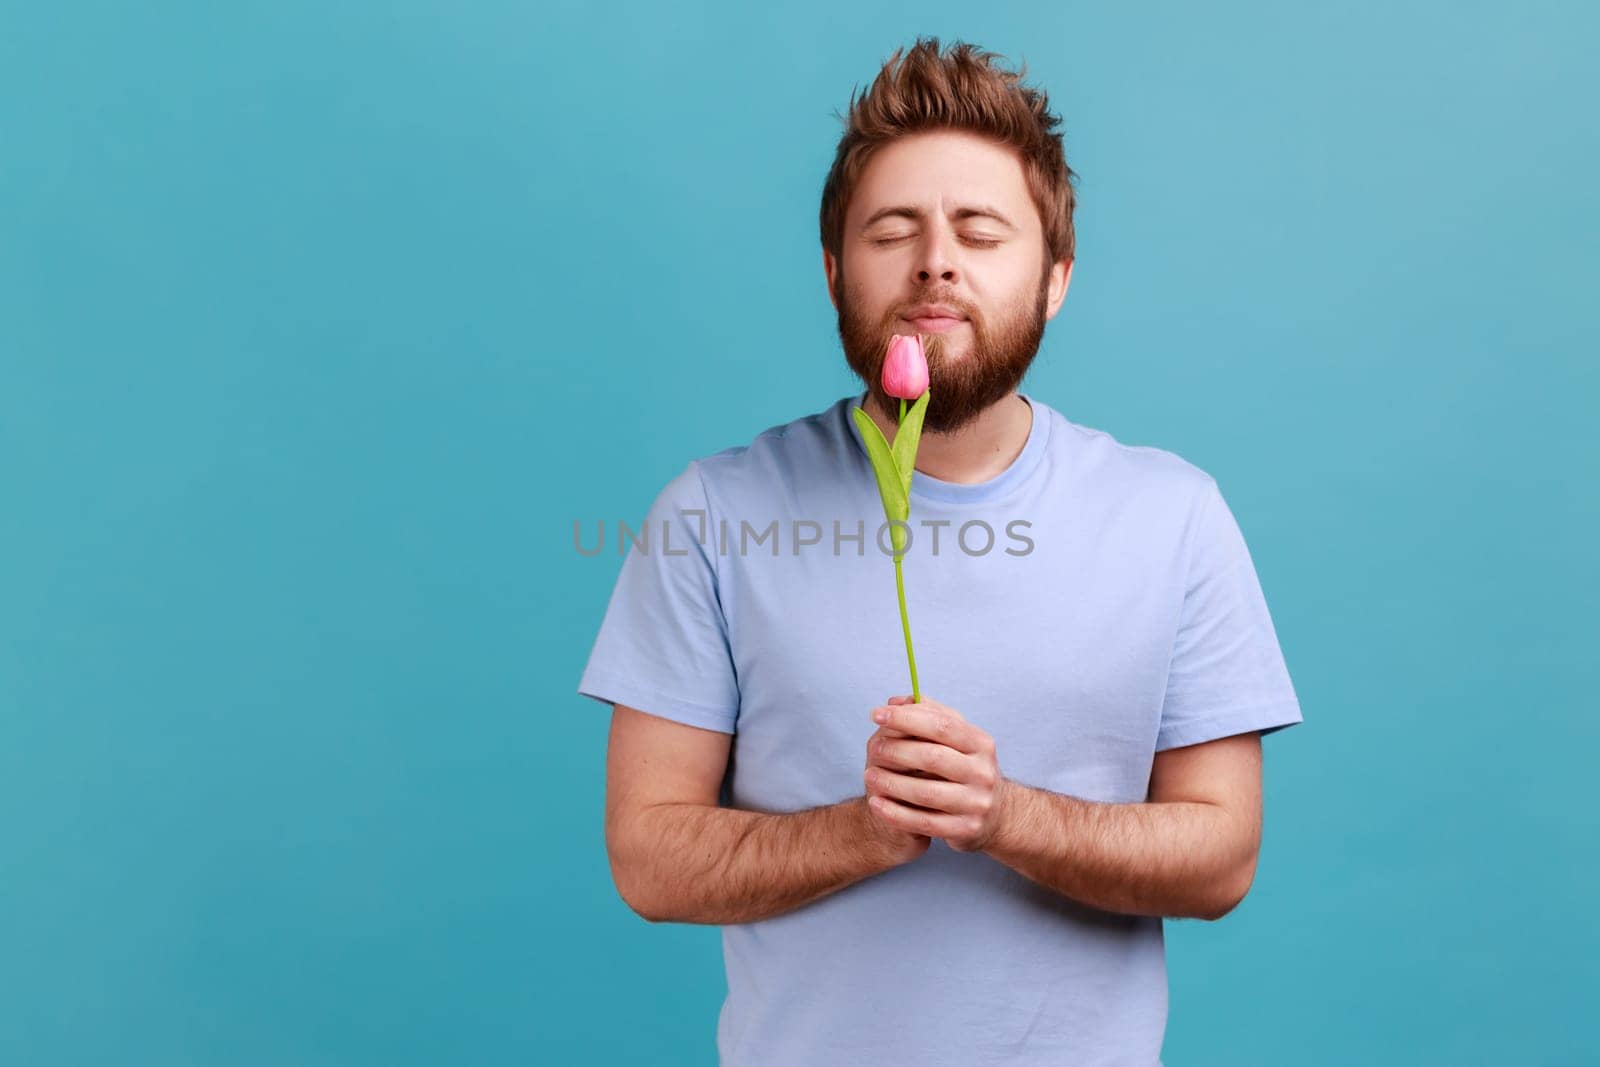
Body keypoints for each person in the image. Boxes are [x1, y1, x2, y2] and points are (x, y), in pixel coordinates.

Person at [576, 36, 1303, 1067]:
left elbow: (1221, 856)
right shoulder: (711, 512)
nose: (935, 261)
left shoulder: (1173, 515)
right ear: (834, 270)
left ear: (1053, 279)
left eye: (980, 230)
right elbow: (649, 858)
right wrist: (864, 829)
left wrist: (1002, 815)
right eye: (892, 229)